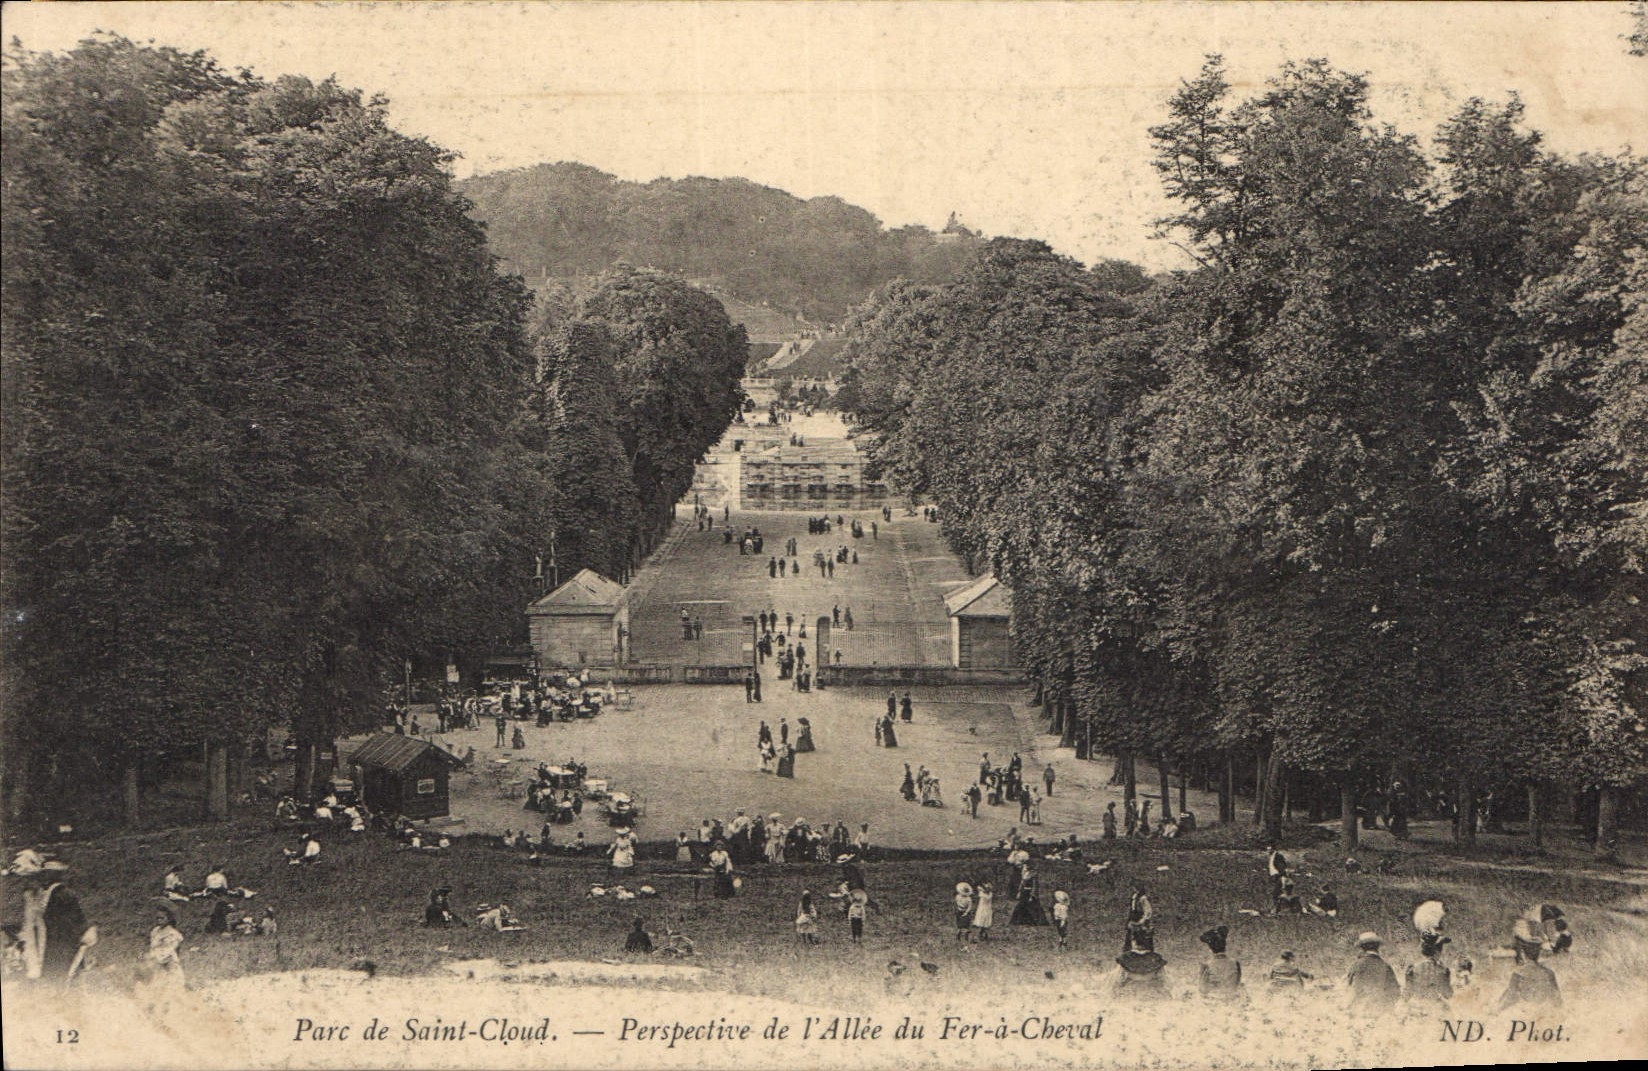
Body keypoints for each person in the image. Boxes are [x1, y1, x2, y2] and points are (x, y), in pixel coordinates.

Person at [1497, 938, 1562, 1012]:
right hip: (1543, 1014)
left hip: (1525, 1014)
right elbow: (1557, 1000)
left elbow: (1511, 998)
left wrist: (1497, 1011)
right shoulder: (1549, 973)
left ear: (1523, 953)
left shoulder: (1518, 973)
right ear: (1538, 953)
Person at [1345, 932, 1400, 1016]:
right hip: (1380, 1012)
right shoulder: (1385, 966)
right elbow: (1395, 992)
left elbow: (1348, 988)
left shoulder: (1356, 965)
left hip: (1359, 1011)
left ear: (1362, 948)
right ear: (1378, 946)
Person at [1405, 932, 1454, 1008]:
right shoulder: (1443, 970)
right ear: (1438, 951)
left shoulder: (1412, 968)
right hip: (1435, 1007)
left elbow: (1407, 994)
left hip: (1416, 1007)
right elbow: (1448, 994)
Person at [1198, 925, 1245, 1003]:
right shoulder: (1236, 963)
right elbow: (1237, 984)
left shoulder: (1206, 966)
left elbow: (1202, 989)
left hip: (1214, 1003)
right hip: (1232, 1000)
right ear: (1225, 946)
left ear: (1210, 948)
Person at [1115, 926, 1167, 995]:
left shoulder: (1125, 957)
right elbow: (1163, 980)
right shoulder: (1156, 957)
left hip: (1130, 987)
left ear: (1133, 941)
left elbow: (1119, 980)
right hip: (1151, 988)